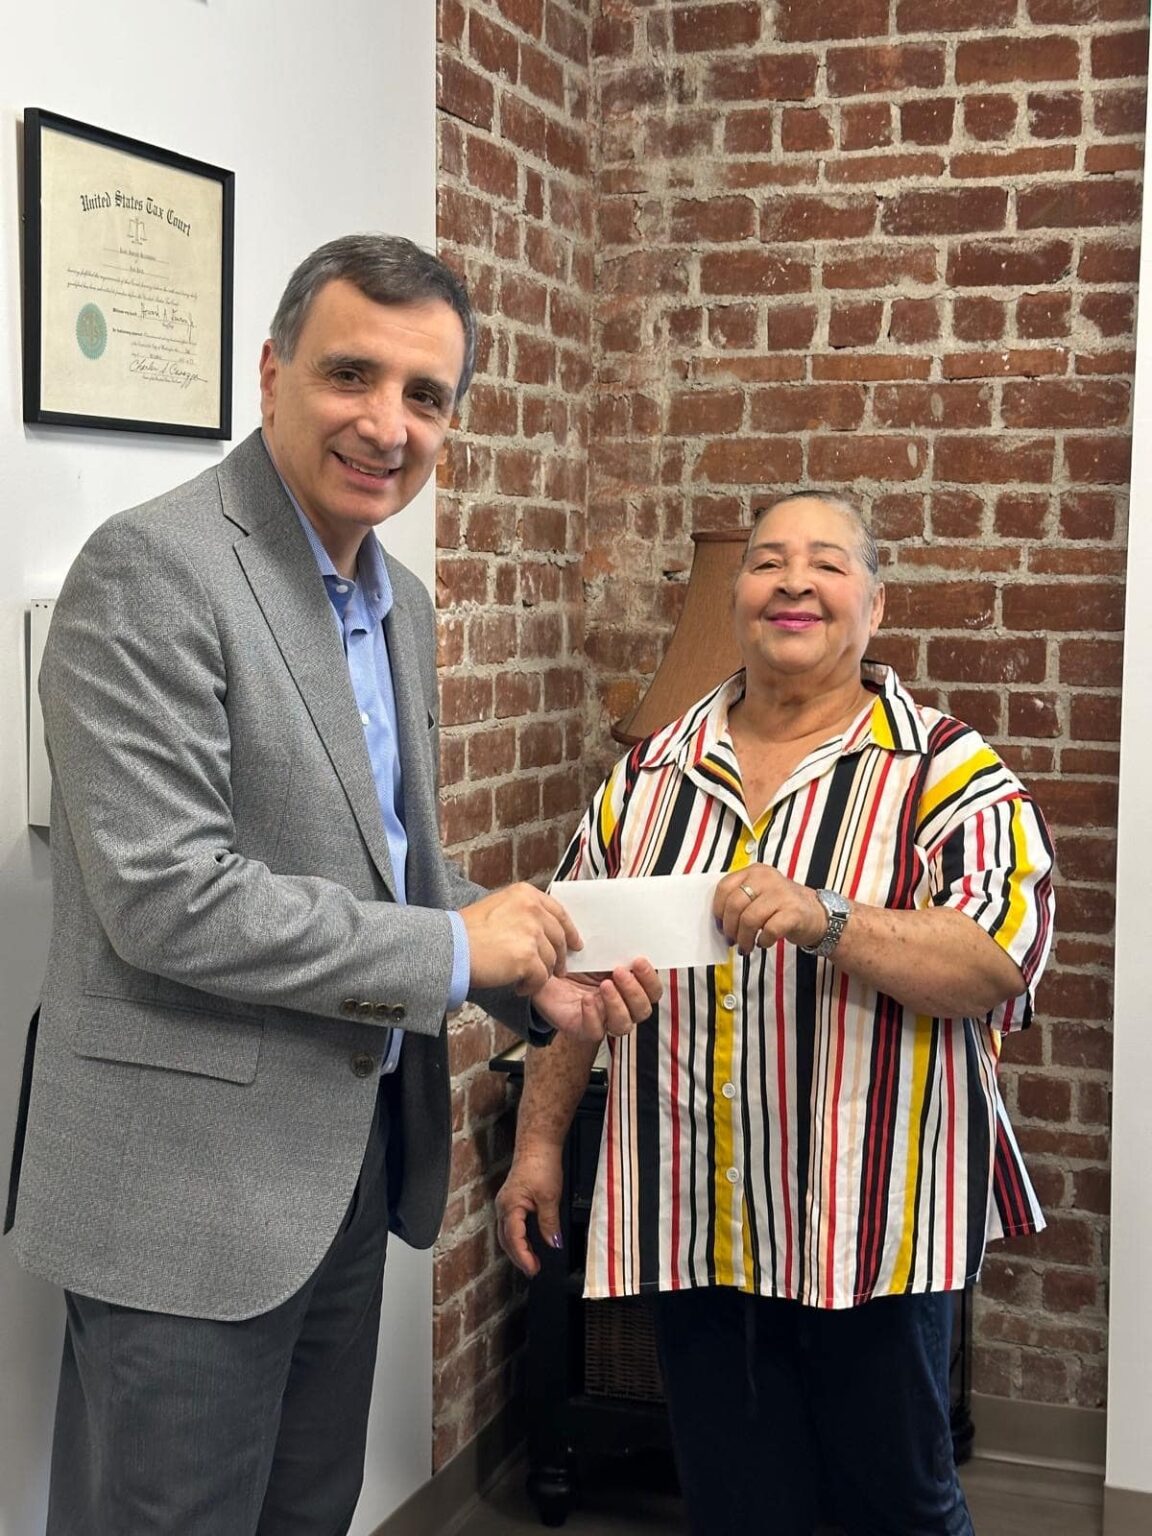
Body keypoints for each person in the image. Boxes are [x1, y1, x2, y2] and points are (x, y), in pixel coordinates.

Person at [6, 233, 659, 1536]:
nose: (387, 425)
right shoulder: (153, 569)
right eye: (350, 374)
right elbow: (167, 896)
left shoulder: (397, 596)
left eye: (426, 397)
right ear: (271, 374)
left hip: (347, 1170)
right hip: (182, 1196)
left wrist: (534, 966)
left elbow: (387, 866)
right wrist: (460, 952)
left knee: (309, 1513)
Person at [497, 491, 1055, 1536]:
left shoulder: (950, 772)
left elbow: (995, 962)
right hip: (697, 1222)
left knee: (900, 1509)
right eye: (768, 562)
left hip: (875, 1231)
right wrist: (537, 1147)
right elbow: (572, 976)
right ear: (738, 598)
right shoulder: (645, 778)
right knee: (737, 1507)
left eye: (828, 564)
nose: (794, 581)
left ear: (875, 605)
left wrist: (828, 918)